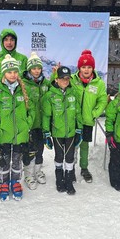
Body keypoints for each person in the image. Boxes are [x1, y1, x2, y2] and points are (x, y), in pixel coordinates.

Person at [0, 55, 35, 201]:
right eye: (9, 72)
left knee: (17, 160)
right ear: (3, 73)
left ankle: (15, 182)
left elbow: (32, 109)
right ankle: (4, 183)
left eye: (15, 71)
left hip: (21, 134)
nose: (13, 74)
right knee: (4, 160)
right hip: (4, 134)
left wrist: (27, 123)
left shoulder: (24, 89)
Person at [42, 66, 83, 195]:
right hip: (57, 132)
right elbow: (46, 115)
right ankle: (59, 179)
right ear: (57, 79)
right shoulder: (50, 95)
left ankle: (69, 180)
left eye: (67, 78)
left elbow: (78, 113)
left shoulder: (73, 93)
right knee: (59, 156)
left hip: (70, 132)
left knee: (70, 157)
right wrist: (46, 133)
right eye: (62, 78)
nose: (65, 81)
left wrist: (79, 129)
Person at [71, 50, 107, 183]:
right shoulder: (72, 80)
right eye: (83, 67)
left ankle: (84, 168)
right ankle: (71, 168)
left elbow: (102, 100)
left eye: (89, 67)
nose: (86, 70)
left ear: (93, 68)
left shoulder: (99, 83)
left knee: (85, 145)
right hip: (74, 120)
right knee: (73, 145)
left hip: (87, 120)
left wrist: (94, 113)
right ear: (79, 68)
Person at [22, 52, 50, 190]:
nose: (36, 71)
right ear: (29, 70)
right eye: (33, 68)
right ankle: (28, 174)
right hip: (30, 124)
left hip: (42, 124)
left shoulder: (46, 83)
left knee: (40, 149)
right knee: (29, 151)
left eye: (38, 68)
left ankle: (38, 171)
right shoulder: (24, 84)